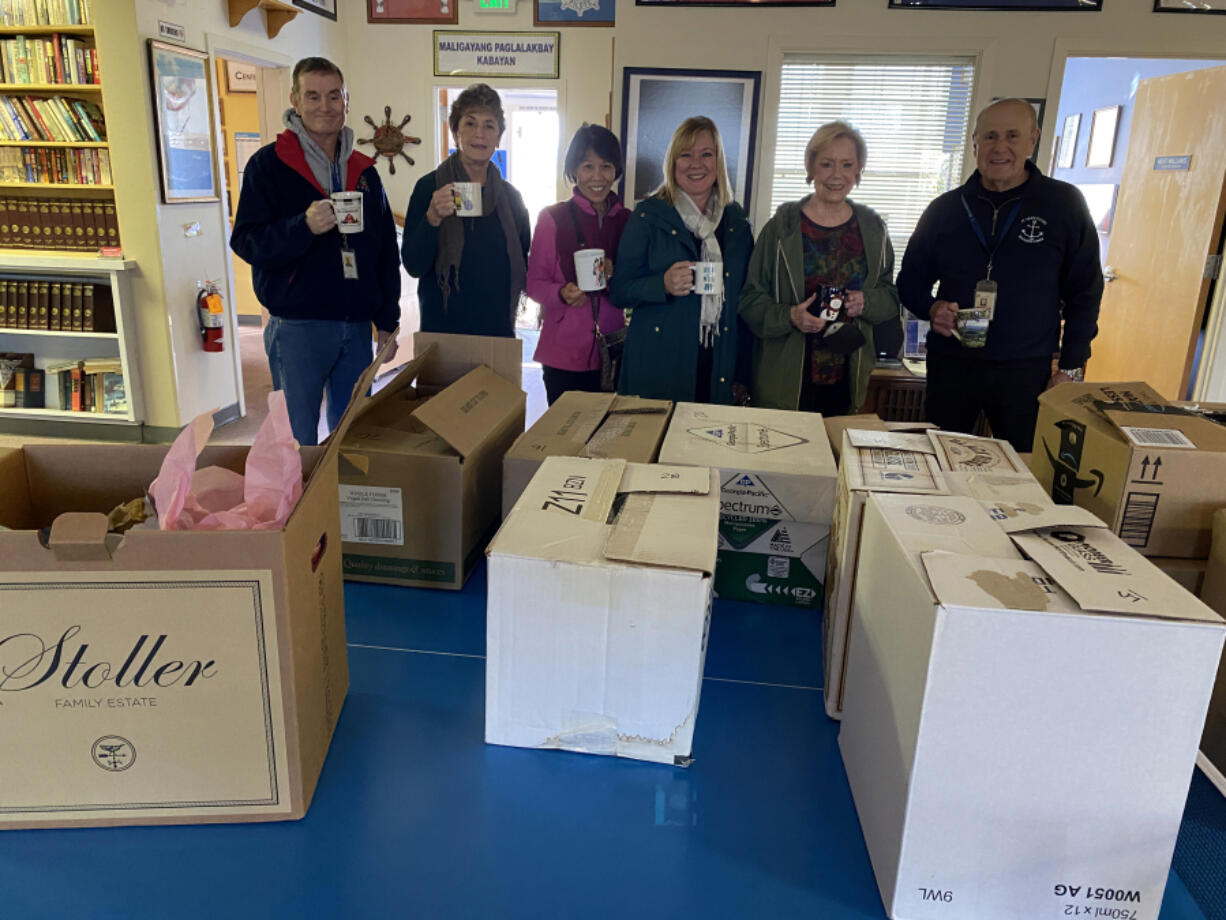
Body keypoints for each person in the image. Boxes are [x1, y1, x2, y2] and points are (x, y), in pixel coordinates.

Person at [896, 98, 1102, 451]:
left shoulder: (1064, 204)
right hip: (953, 366)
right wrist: (931, 309)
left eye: (1012, 135)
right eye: (990, 136)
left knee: (1023, 470)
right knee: (941, 459)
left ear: (1032, 139)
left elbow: (1086, 291)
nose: (1000, 147)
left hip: (1026, 369)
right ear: (975, 141)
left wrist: (1071, 367)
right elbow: (909, 283)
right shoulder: (944, 209)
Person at [230, 57, 400, 447]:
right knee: (294, 442)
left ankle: (338, 508)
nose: (325, 106)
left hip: (356, 328)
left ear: (346, 101)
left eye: (333, 96)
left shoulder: (365, 171)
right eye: (313, 96)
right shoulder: (268, 166)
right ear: (295, 100)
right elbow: (247, 241)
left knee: (353, 438)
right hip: (297, 328)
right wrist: (301, 227)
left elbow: (387, 253)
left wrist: (387, 320)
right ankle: (298, 510)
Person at [739, 121, 899, 416]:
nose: (837, 175)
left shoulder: (874, 230)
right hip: (784, 381)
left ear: (858, 169)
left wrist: (867, 301)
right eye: (826, 164)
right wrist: (789, 316)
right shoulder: (780, 230)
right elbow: (749, 302)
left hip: (846, 381)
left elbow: (891, 297)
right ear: (811, 167)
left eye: (847, 164)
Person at [610, 116, 753, 404]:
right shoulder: (648, 215)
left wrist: (744, 373)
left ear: (718, 161)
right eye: (686, 155)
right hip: (658, 365)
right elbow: (620, 290)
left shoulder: (736, 222)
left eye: (706, 154)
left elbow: (746, 303)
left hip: (718, 366)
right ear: (673, 163)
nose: (696, 164)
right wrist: (660, 283)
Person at [402, 84, 531, 338]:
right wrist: (432, 219)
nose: (479, 134)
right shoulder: (429, 187)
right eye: (470, 123)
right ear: (455, 132)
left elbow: (525, 263)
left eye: (489, 125)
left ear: (498, 137)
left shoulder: (512, 199)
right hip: (442, 333)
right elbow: (414, 265)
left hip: (497, 334)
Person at [526, 124, 630, 404]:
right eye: (587, 166)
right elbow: (534, 283)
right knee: (566, 439)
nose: (597, 177)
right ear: (574, 170)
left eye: (606, 166)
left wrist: (615, 272)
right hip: (563, 353)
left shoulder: (628, 221)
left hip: (614, 350)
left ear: (616, 170)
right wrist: (561, 294)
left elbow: (637, 281)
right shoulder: (552, 218)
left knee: (609, 439)